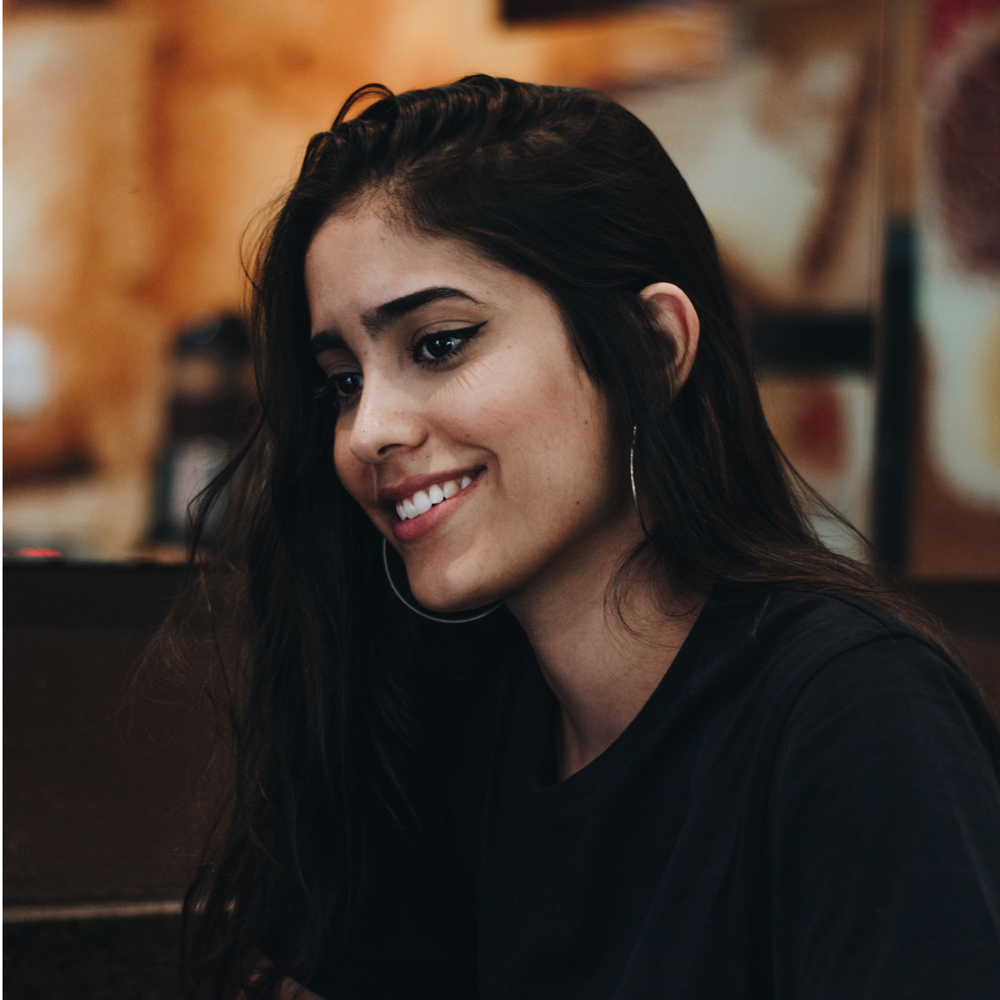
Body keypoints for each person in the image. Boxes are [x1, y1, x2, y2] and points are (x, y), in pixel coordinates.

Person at [172, 76, 1000, 999]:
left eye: (438, 343)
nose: (369, 431)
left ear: (651, 347)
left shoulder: (852, 711)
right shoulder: (453, 719)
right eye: (342, 382)